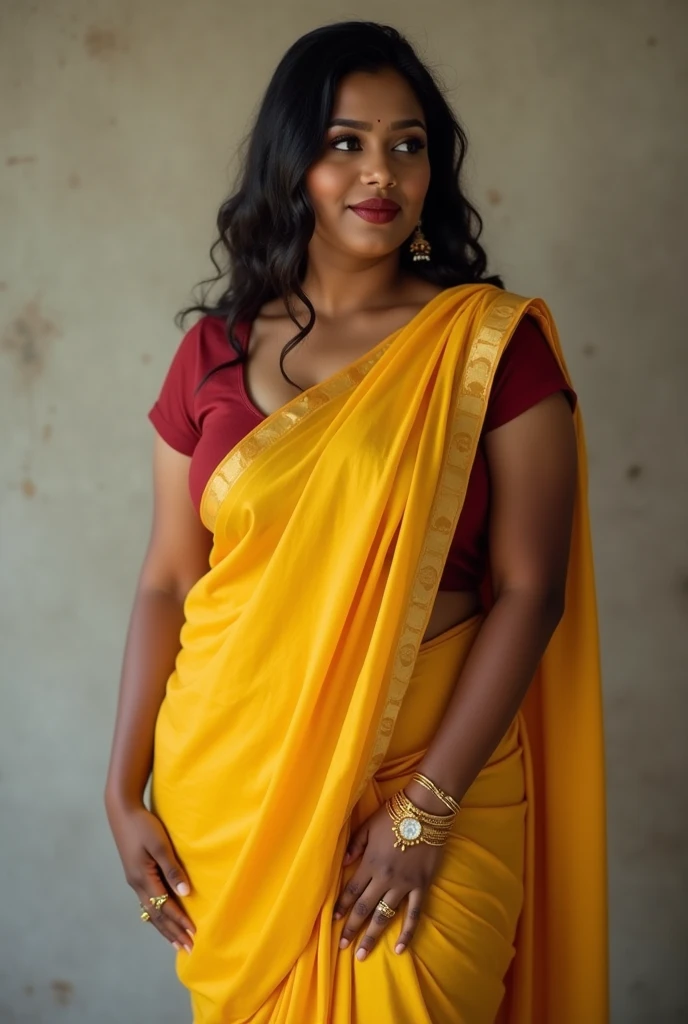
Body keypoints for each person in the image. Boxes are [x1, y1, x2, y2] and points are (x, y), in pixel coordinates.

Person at [104, 20, 607, 1024]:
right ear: (293, 164)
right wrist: (123, 792)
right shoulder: (210, 353)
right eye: (345, 142)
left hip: (433, 787)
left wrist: (423, 815)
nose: (382, 171)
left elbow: (529, 592)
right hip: (234, 794)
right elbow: (168, 578)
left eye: (407, 143)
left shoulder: (484, 346)